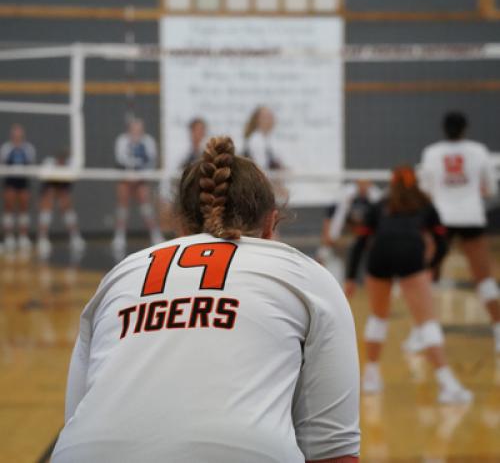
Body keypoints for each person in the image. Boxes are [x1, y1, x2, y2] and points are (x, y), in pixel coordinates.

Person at [52, 136, 360, 463]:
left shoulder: (120, 275)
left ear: (180, 225)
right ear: (271, 223)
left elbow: (76, 413)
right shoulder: (306, 276)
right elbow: (334, 451)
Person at [345, 166, 472, 404]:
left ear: (392, 184)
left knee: (378, 317)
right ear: (416, 183)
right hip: (410, 255)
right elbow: (442, 242)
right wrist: (430, 266)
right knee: (426, 321)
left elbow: (360, 243)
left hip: (379, 256)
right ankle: (447, 384)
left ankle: (371, 376)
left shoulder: (378, 206)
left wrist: (351, 278)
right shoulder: (425, 205)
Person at [411, 111, 500, 353]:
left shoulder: (431, 152)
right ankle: (498, 331)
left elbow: (425, 190)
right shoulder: (479, 151)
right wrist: (467, 193)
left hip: (441, 218)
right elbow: (490, 189)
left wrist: (446, 195)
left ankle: (421, 332)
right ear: (465, 128)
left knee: (429, 275)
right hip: (471, 216)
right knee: (484, 277)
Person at [112, 117, 164, 255]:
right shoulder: (122, 140)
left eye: (139, 129)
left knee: (146, 205)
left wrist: (140, 172)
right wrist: (131, 167)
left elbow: (152, 160)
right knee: (122, 204)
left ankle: (155, 234)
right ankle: (119, 235)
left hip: (141, 178)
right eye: (133, 129)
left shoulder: (149, 141)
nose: (136, 132)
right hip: (126, 176)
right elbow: (120, 158)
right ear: (129, 129)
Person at [317, 180, 383, 269]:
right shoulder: (345, 195)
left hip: (364, 234)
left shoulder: (376, 197)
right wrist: (327, 234)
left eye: (366, 183)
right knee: (325, 254)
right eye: (361, 183)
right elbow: (331, 216)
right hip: (344, 233)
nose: (363, 187)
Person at [36, 150, 85, 259]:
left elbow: (73, 177)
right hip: (49, 186)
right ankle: (42, 238)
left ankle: (75, 237)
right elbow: (43, 176)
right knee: (47, 203)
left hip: (63, 185)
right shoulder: (49, 163)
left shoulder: (70, 165)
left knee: (66, 204)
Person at [0, 124, 36, 253]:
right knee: (8, 207)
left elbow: (30, 163)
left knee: (24, 208)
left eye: (19, 135)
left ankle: (23, 236)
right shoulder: (6, 148)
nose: (17, 137)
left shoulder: (28, 148)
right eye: (15, 135)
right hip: (10, 181)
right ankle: (9, 237)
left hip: (23, 181)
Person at [243, 106, 283, 171]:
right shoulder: (255, 139)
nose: (270, 120)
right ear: (257, 120)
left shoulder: (269, 138)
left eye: (271, 117)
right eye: (266, 117)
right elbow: (262, 167)